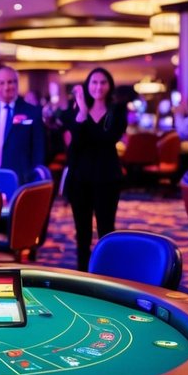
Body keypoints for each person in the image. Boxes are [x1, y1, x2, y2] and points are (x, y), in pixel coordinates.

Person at [62, 67, 127, 270]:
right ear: (87, 85)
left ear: (110, 86)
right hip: (80, 178)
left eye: (103, 82)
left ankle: (106, 273)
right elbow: (75, 146)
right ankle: (82, 272)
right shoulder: (76, 110)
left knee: (106, 230)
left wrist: (83, 123)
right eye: (94, 82)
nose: (98, 87)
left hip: (107, 178)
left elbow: (107, 140)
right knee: (82, 232)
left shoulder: (118, 111)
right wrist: (82, 112)